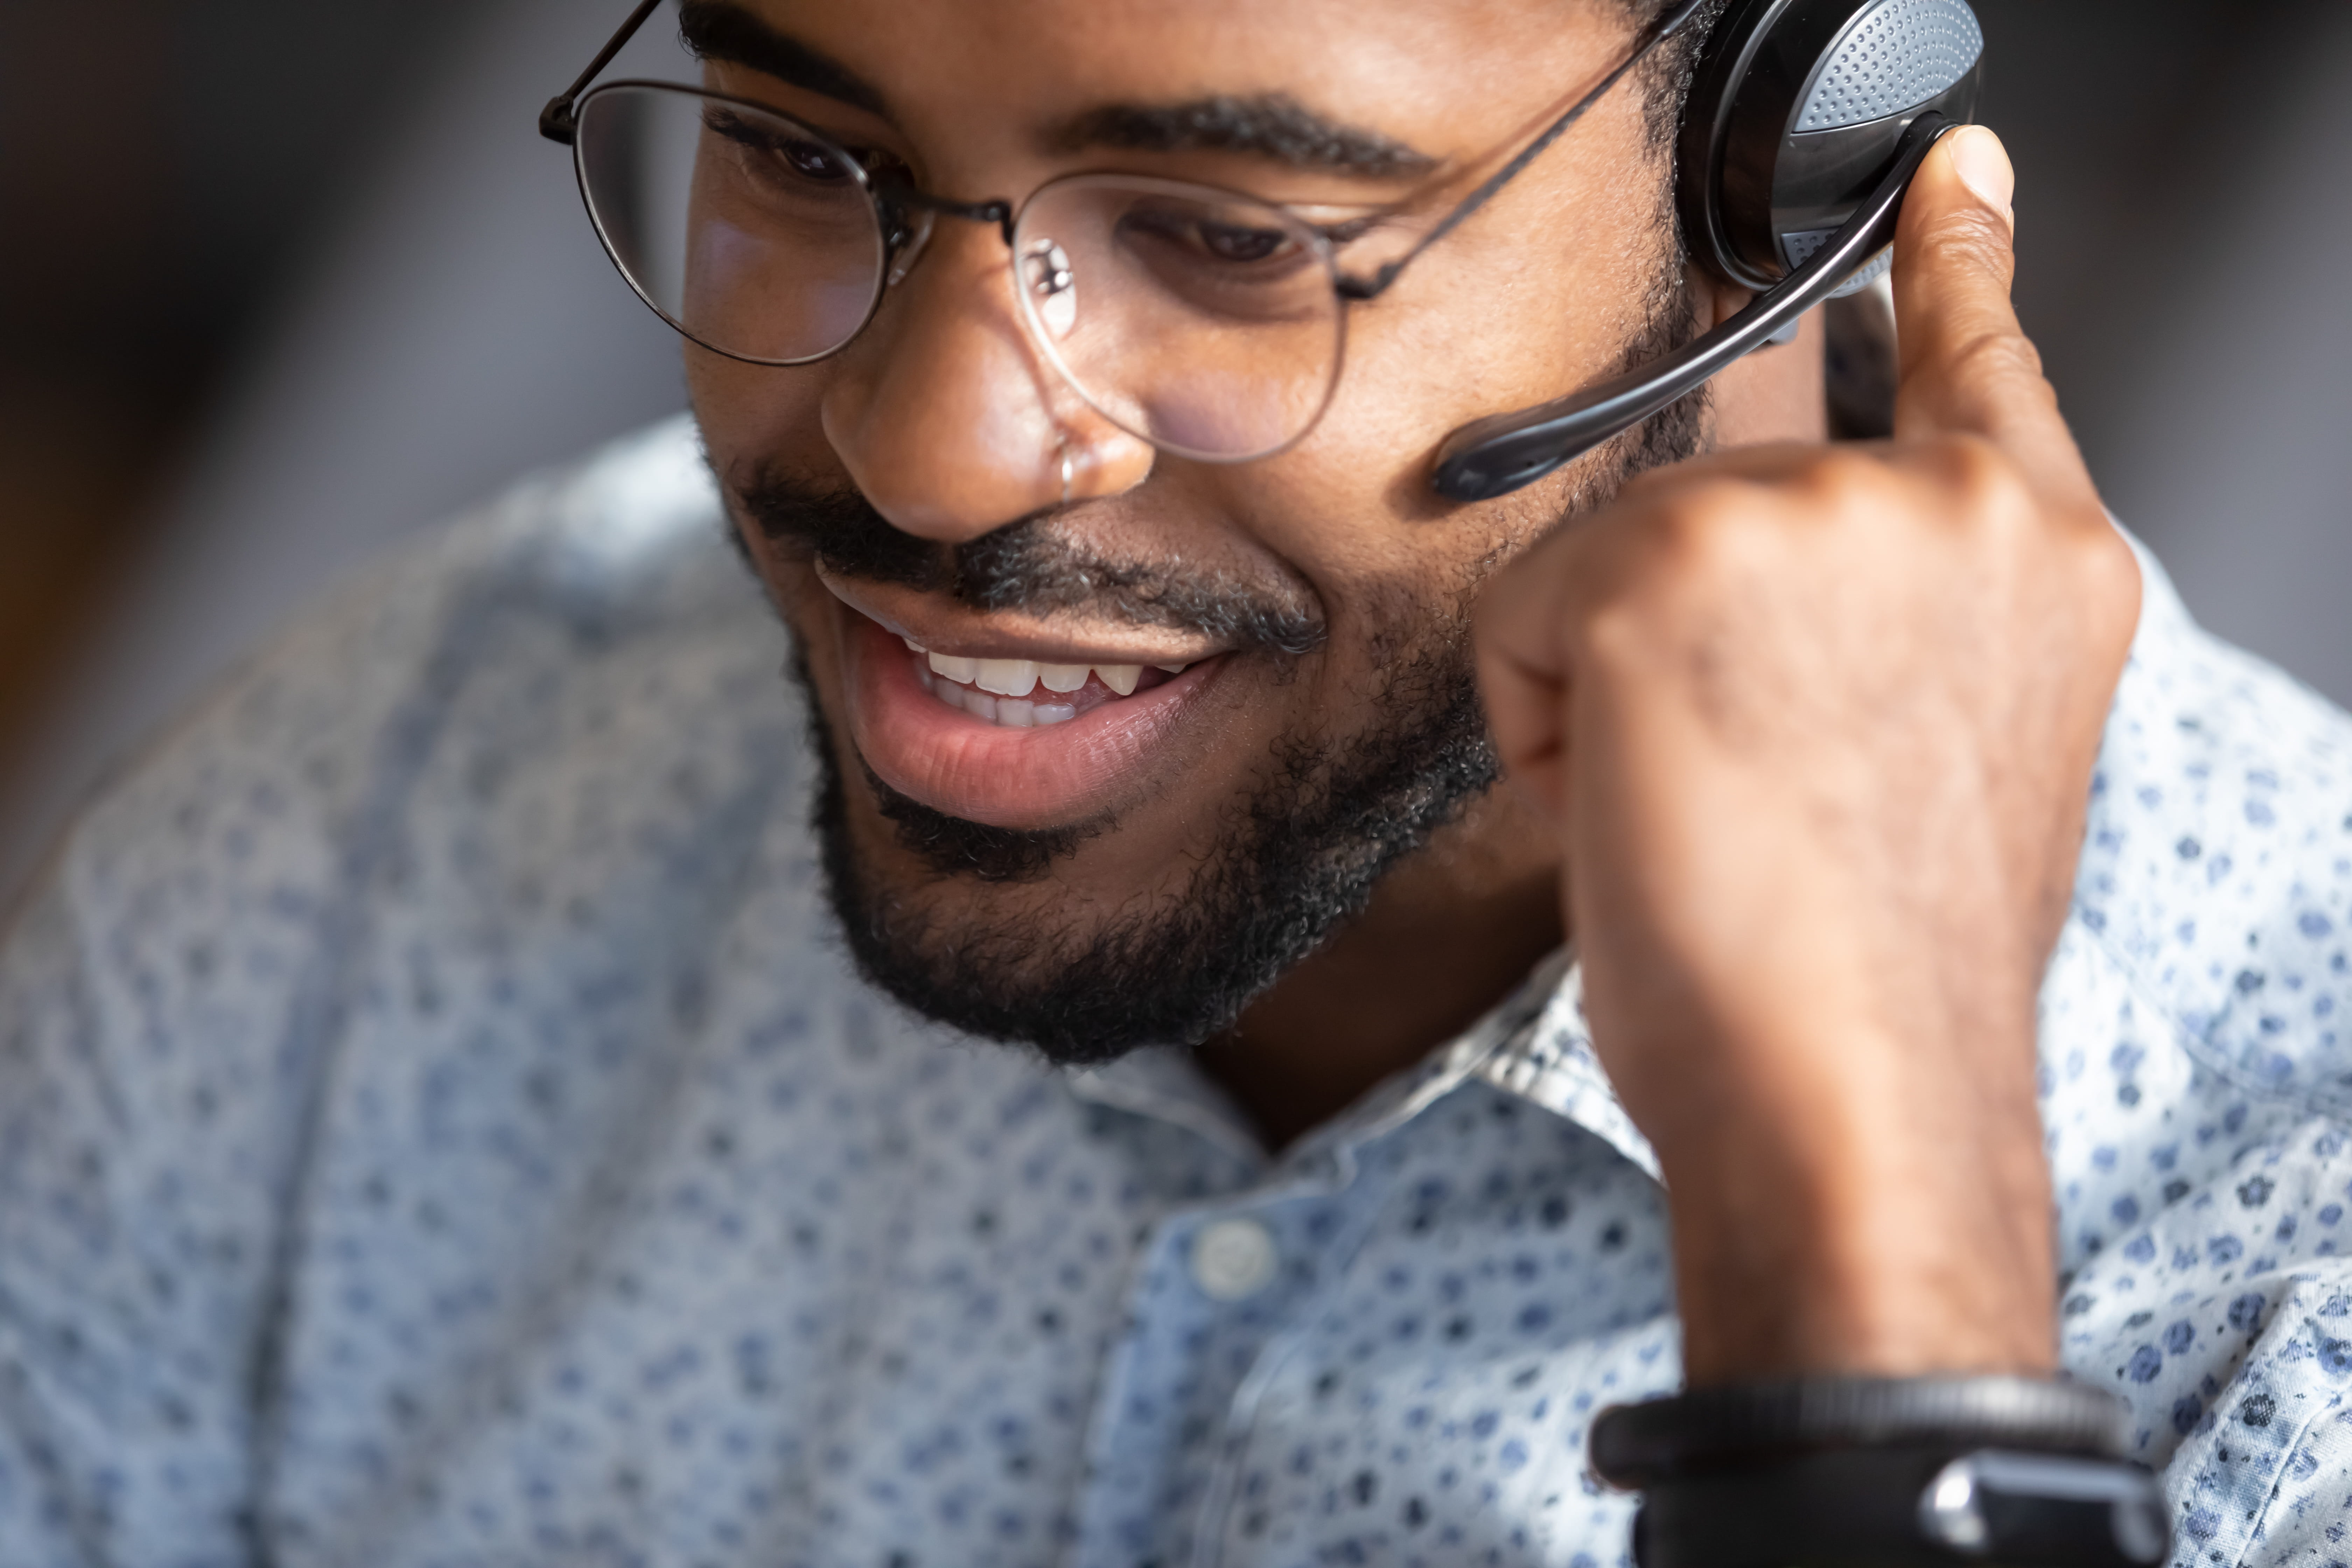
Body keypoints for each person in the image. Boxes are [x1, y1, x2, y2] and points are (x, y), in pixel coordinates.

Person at [1, 0, 2346, 1563]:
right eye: (807, 155)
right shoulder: (366, 836)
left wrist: (1880, 1307)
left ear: (1802, 179)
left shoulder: (2289, 1244)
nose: (929, 451)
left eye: (1235, 239)